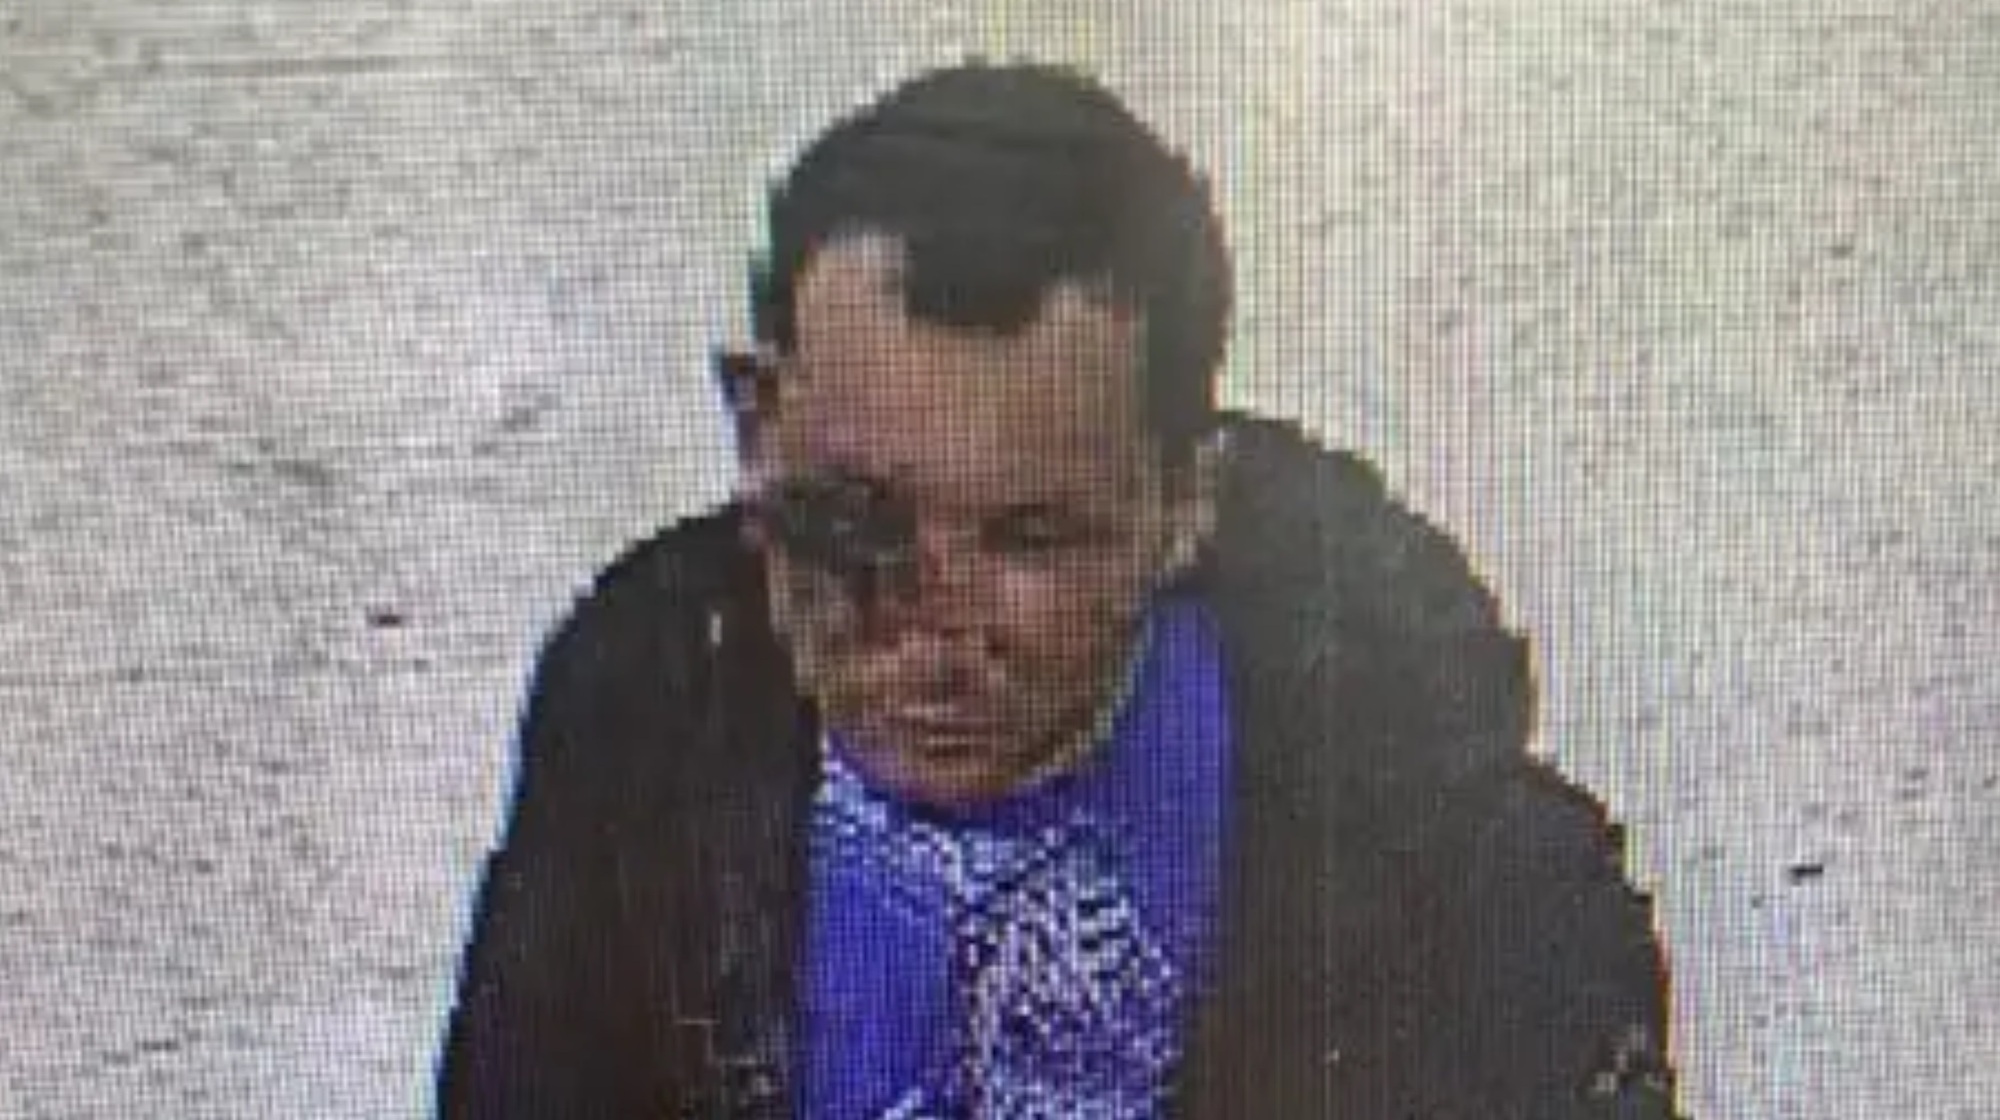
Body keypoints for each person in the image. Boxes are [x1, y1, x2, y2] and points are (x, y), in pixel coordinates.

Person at [436, 60, 1685, 1119]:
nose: (932, 623)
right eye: (853, 522)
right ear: (758, 425)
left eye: (1030, 538)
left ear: (1183, 503)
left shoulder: (1439, 852)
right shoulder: (632, 753)